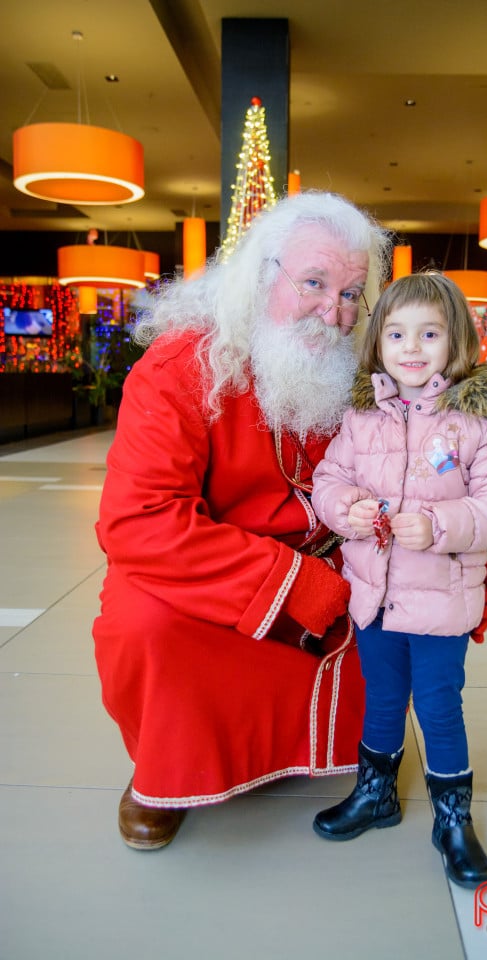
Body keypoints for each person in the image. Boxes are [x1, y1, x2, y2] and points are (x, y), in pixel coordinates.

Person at [92, 191, 393, 850]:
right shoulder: (180, 366)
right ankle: (165, 773)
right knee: (146, 624)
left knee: (413, 601)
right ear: (262, 275)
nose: (334, 312)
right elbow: (140, 522)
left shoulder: (359, 372)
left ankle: (337, 751)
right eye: (314, 284)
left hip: (327, 549)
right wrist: (294, 585)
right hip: (203, 565)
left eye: (351, 294)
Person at [310, 272, 487, 888]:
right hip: (375, 596)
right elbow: (329, 479)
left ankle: (452, 820)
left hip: (442, 602)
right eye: (396, 333)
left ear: (457, 342)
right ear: (378, 342)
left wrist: (440, 523)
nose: (411, 348)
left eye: (429, 333)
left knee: (439, 707)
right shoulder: (362, 418)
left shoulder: (482, 423)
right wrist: (346, 508)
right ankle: (376, 795)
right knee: (381, 697)